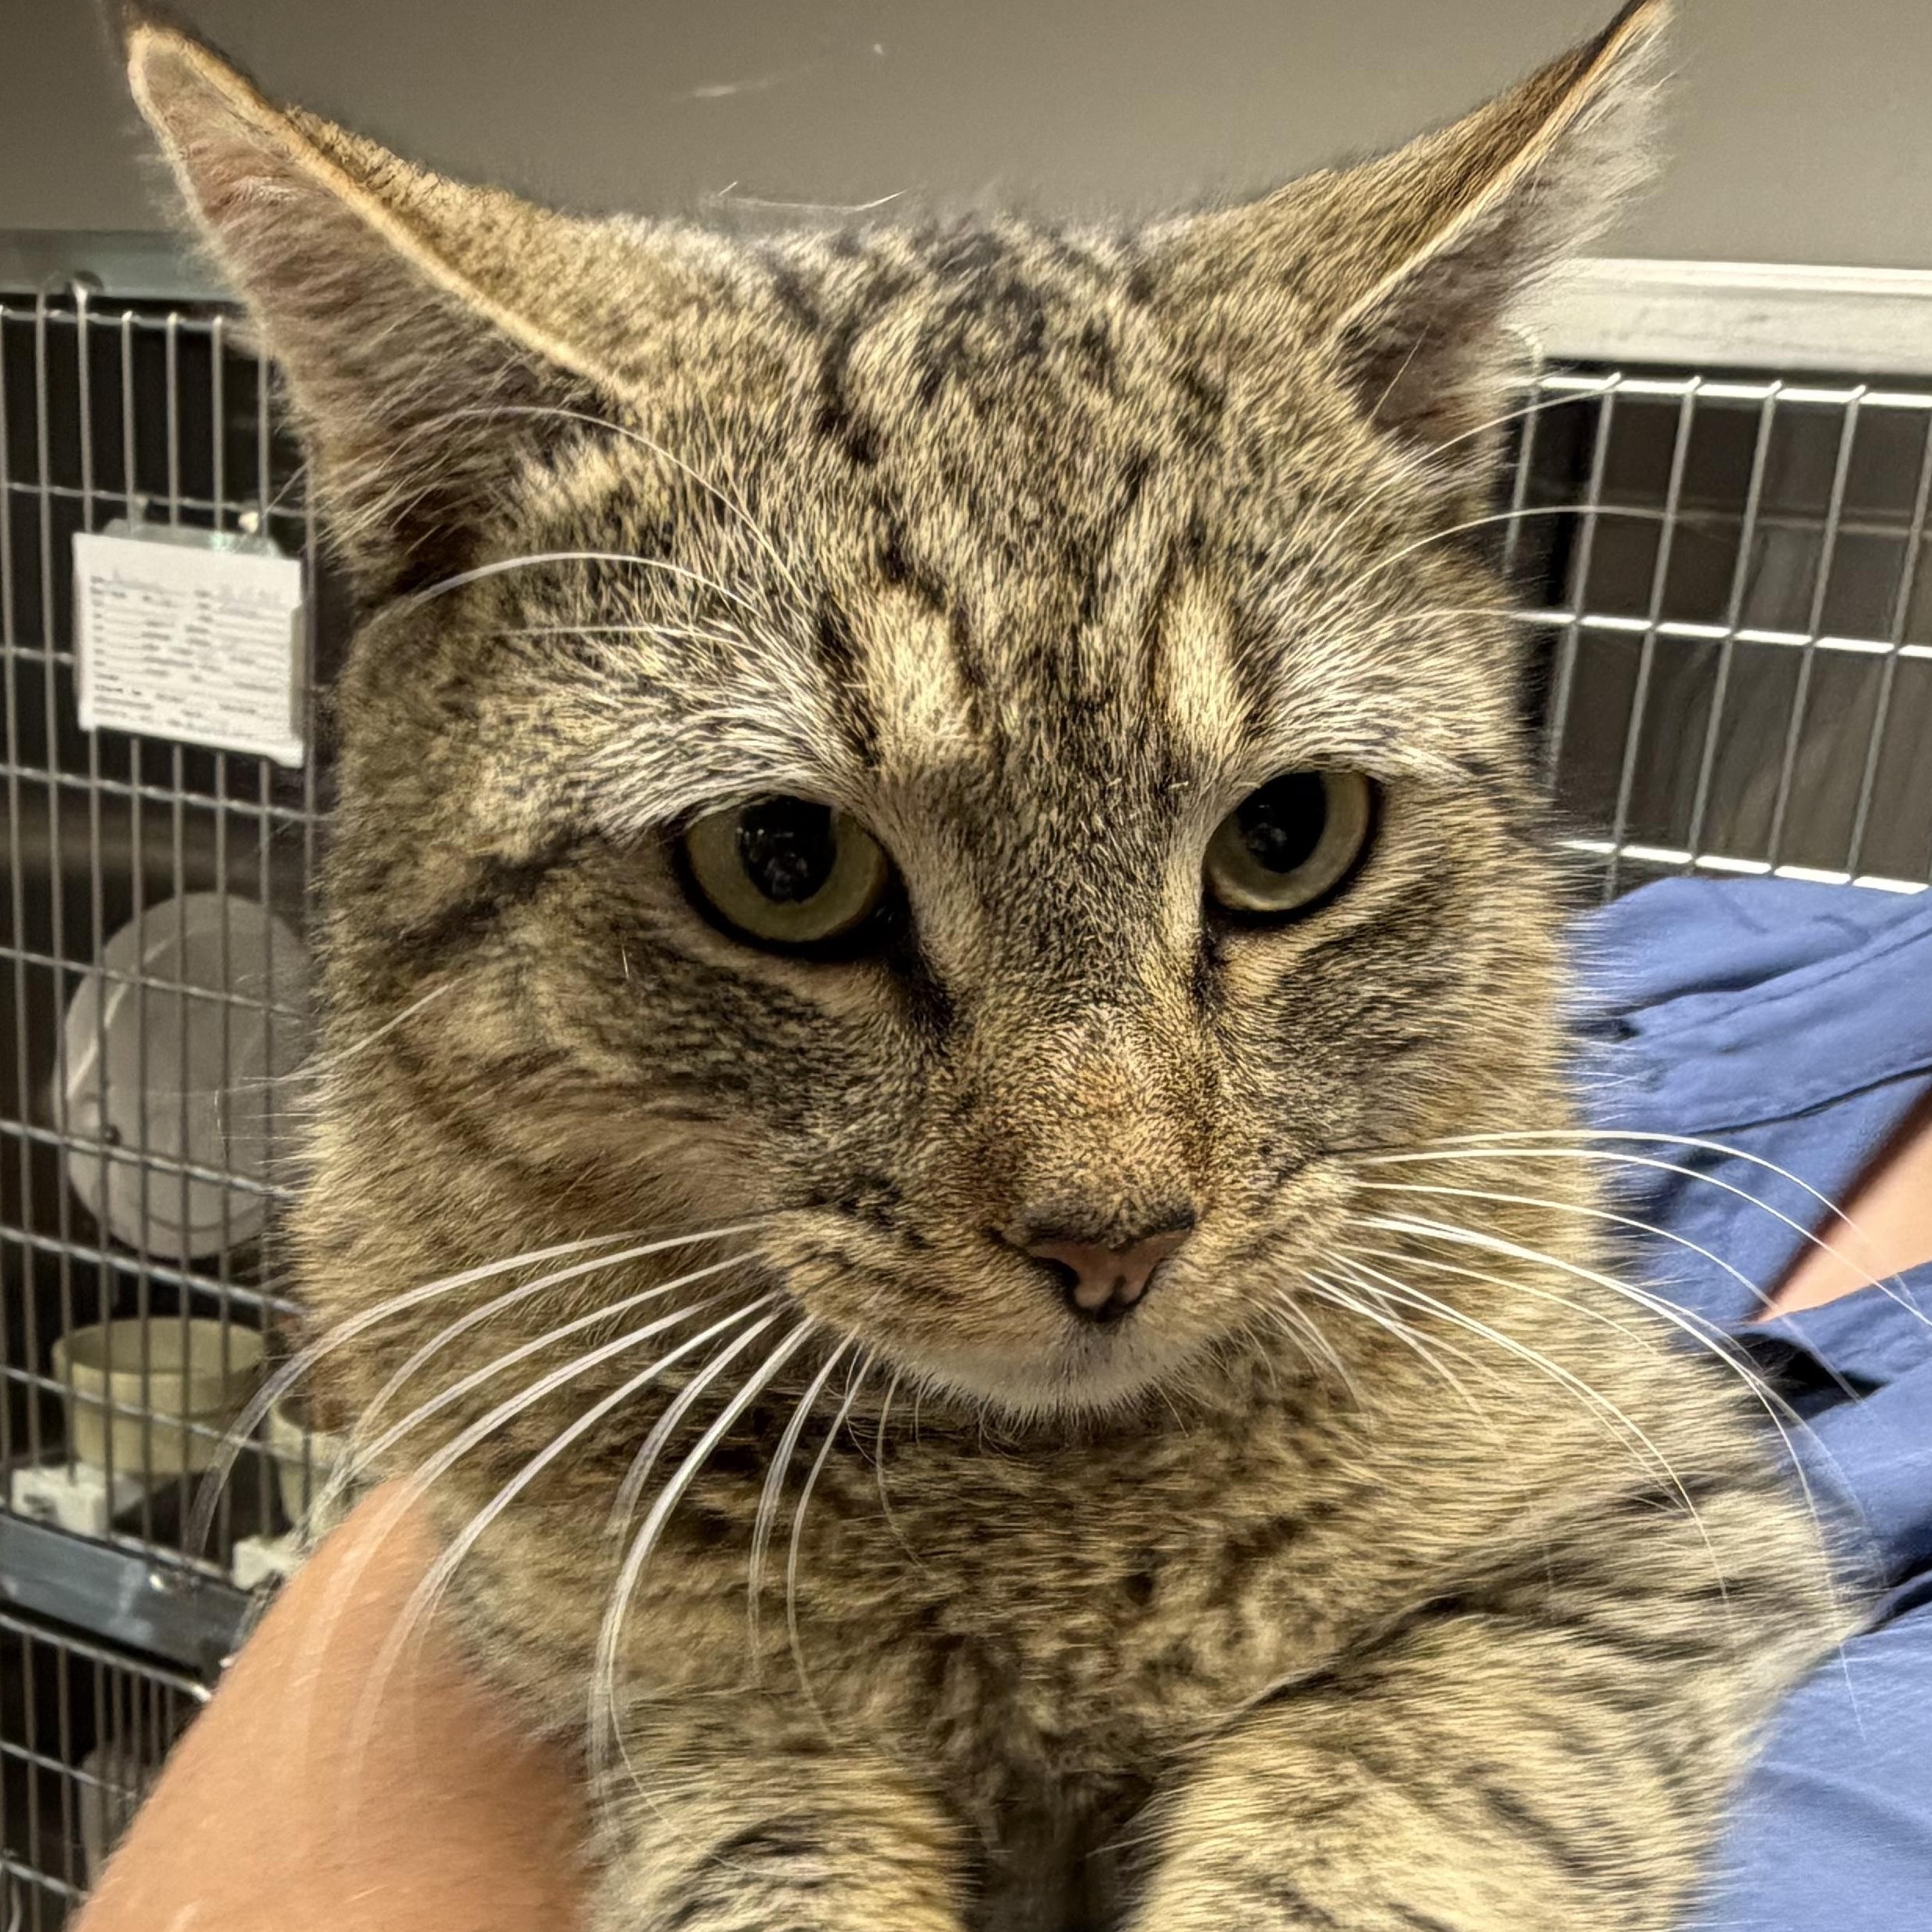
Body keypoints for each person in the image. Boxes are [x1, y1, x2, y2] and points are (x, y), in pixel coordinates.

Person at [76, 877, 1932, 1932]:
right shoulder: (1722, 951)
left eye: (1282, 837)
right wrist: (758, 1794)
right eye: (788, 860)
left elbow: (1643, 1566)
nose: (1112, 1198)